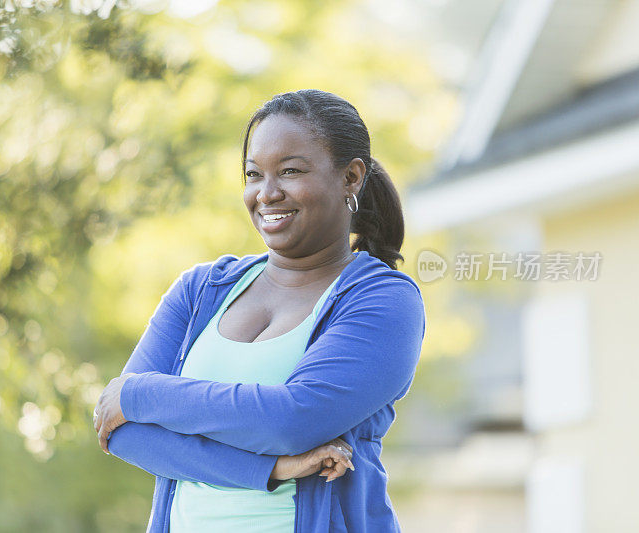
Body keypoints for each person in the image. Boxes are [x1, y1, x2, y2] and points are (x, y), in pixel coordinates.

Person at [93, 89, 426, 532]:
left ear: (351, 178)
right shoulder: (201, 290)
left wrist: (139, 394)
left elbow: (292, 421)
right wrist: (271, 470)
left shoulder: (382, 299)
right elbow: (122, 433)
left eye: (290, 171)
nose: (267, 193)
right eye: (254, 174)